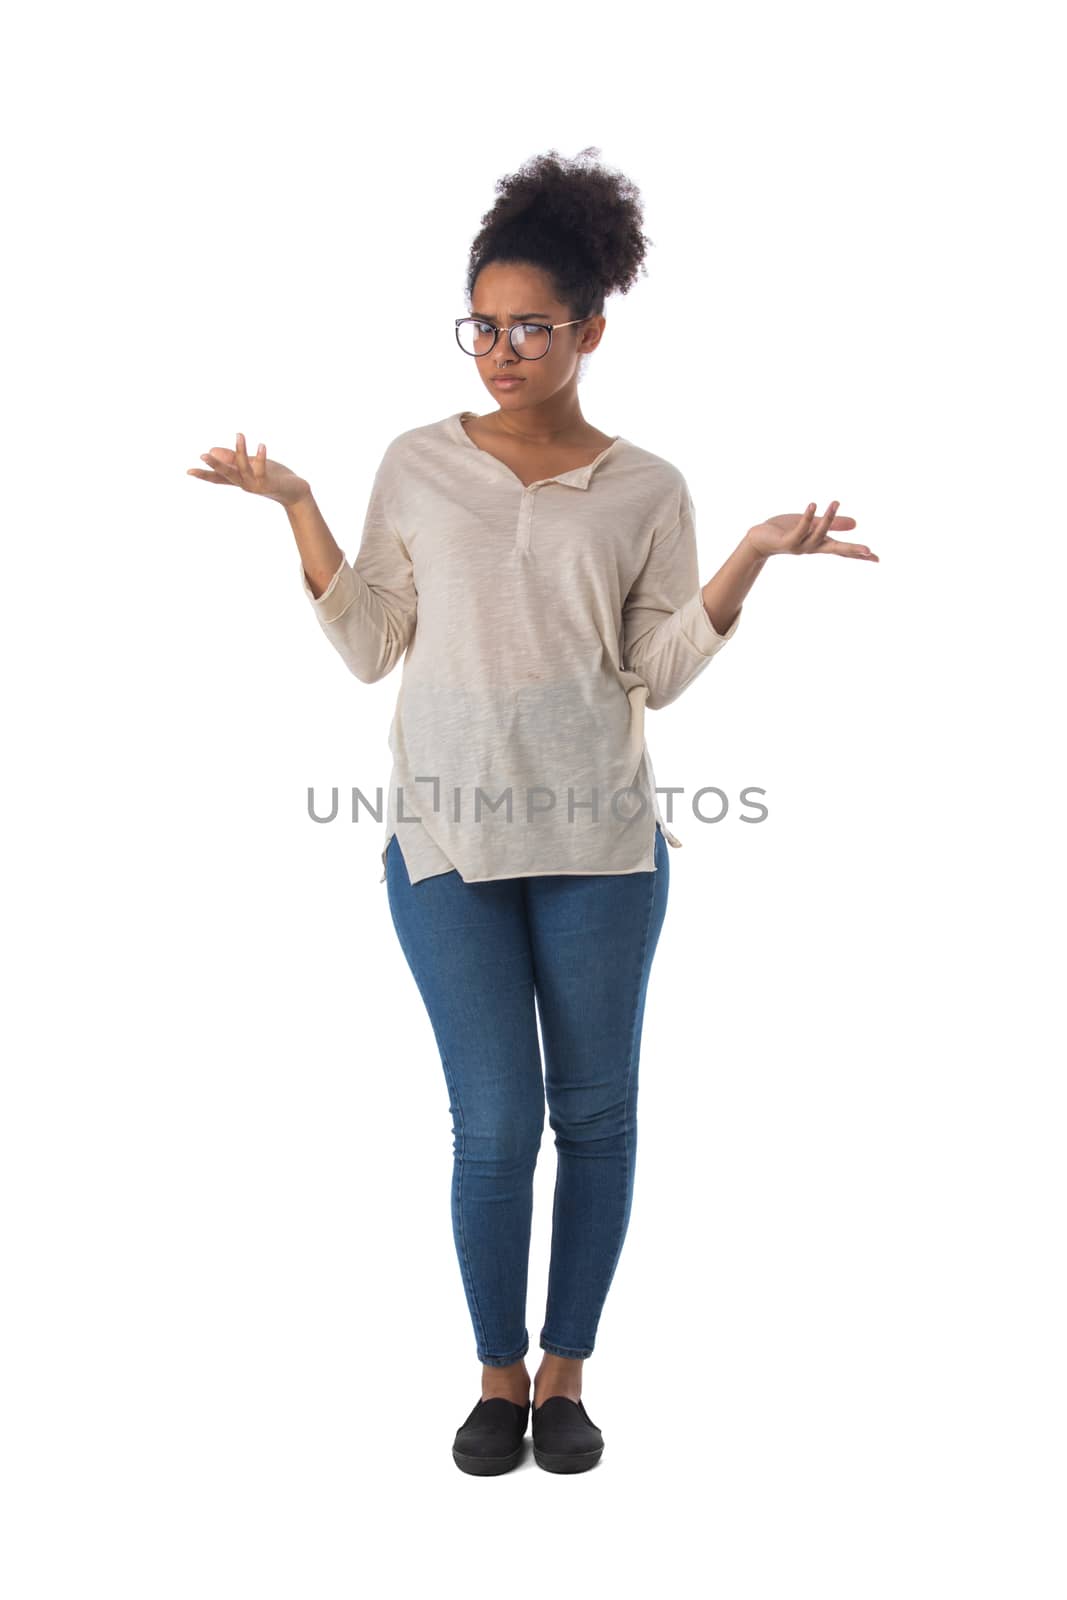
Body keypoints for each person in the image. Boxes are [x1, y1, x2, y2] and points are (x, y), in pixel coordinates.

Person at [186, 145, 878, 1477]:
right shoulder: (417, 462)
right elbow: (370, 643)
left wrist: (745, 559)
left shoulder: (647, 488)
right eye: (484, 325)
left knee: (599, 1117)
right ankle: (496, 1377)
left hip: (604, 848)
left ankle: (568, 1373)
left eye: (530, 328)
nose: (501, 350)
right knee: (496, 1121)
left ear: (591, 330)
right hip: (445, 842)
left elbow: (657, 677)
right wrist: (300, 508)